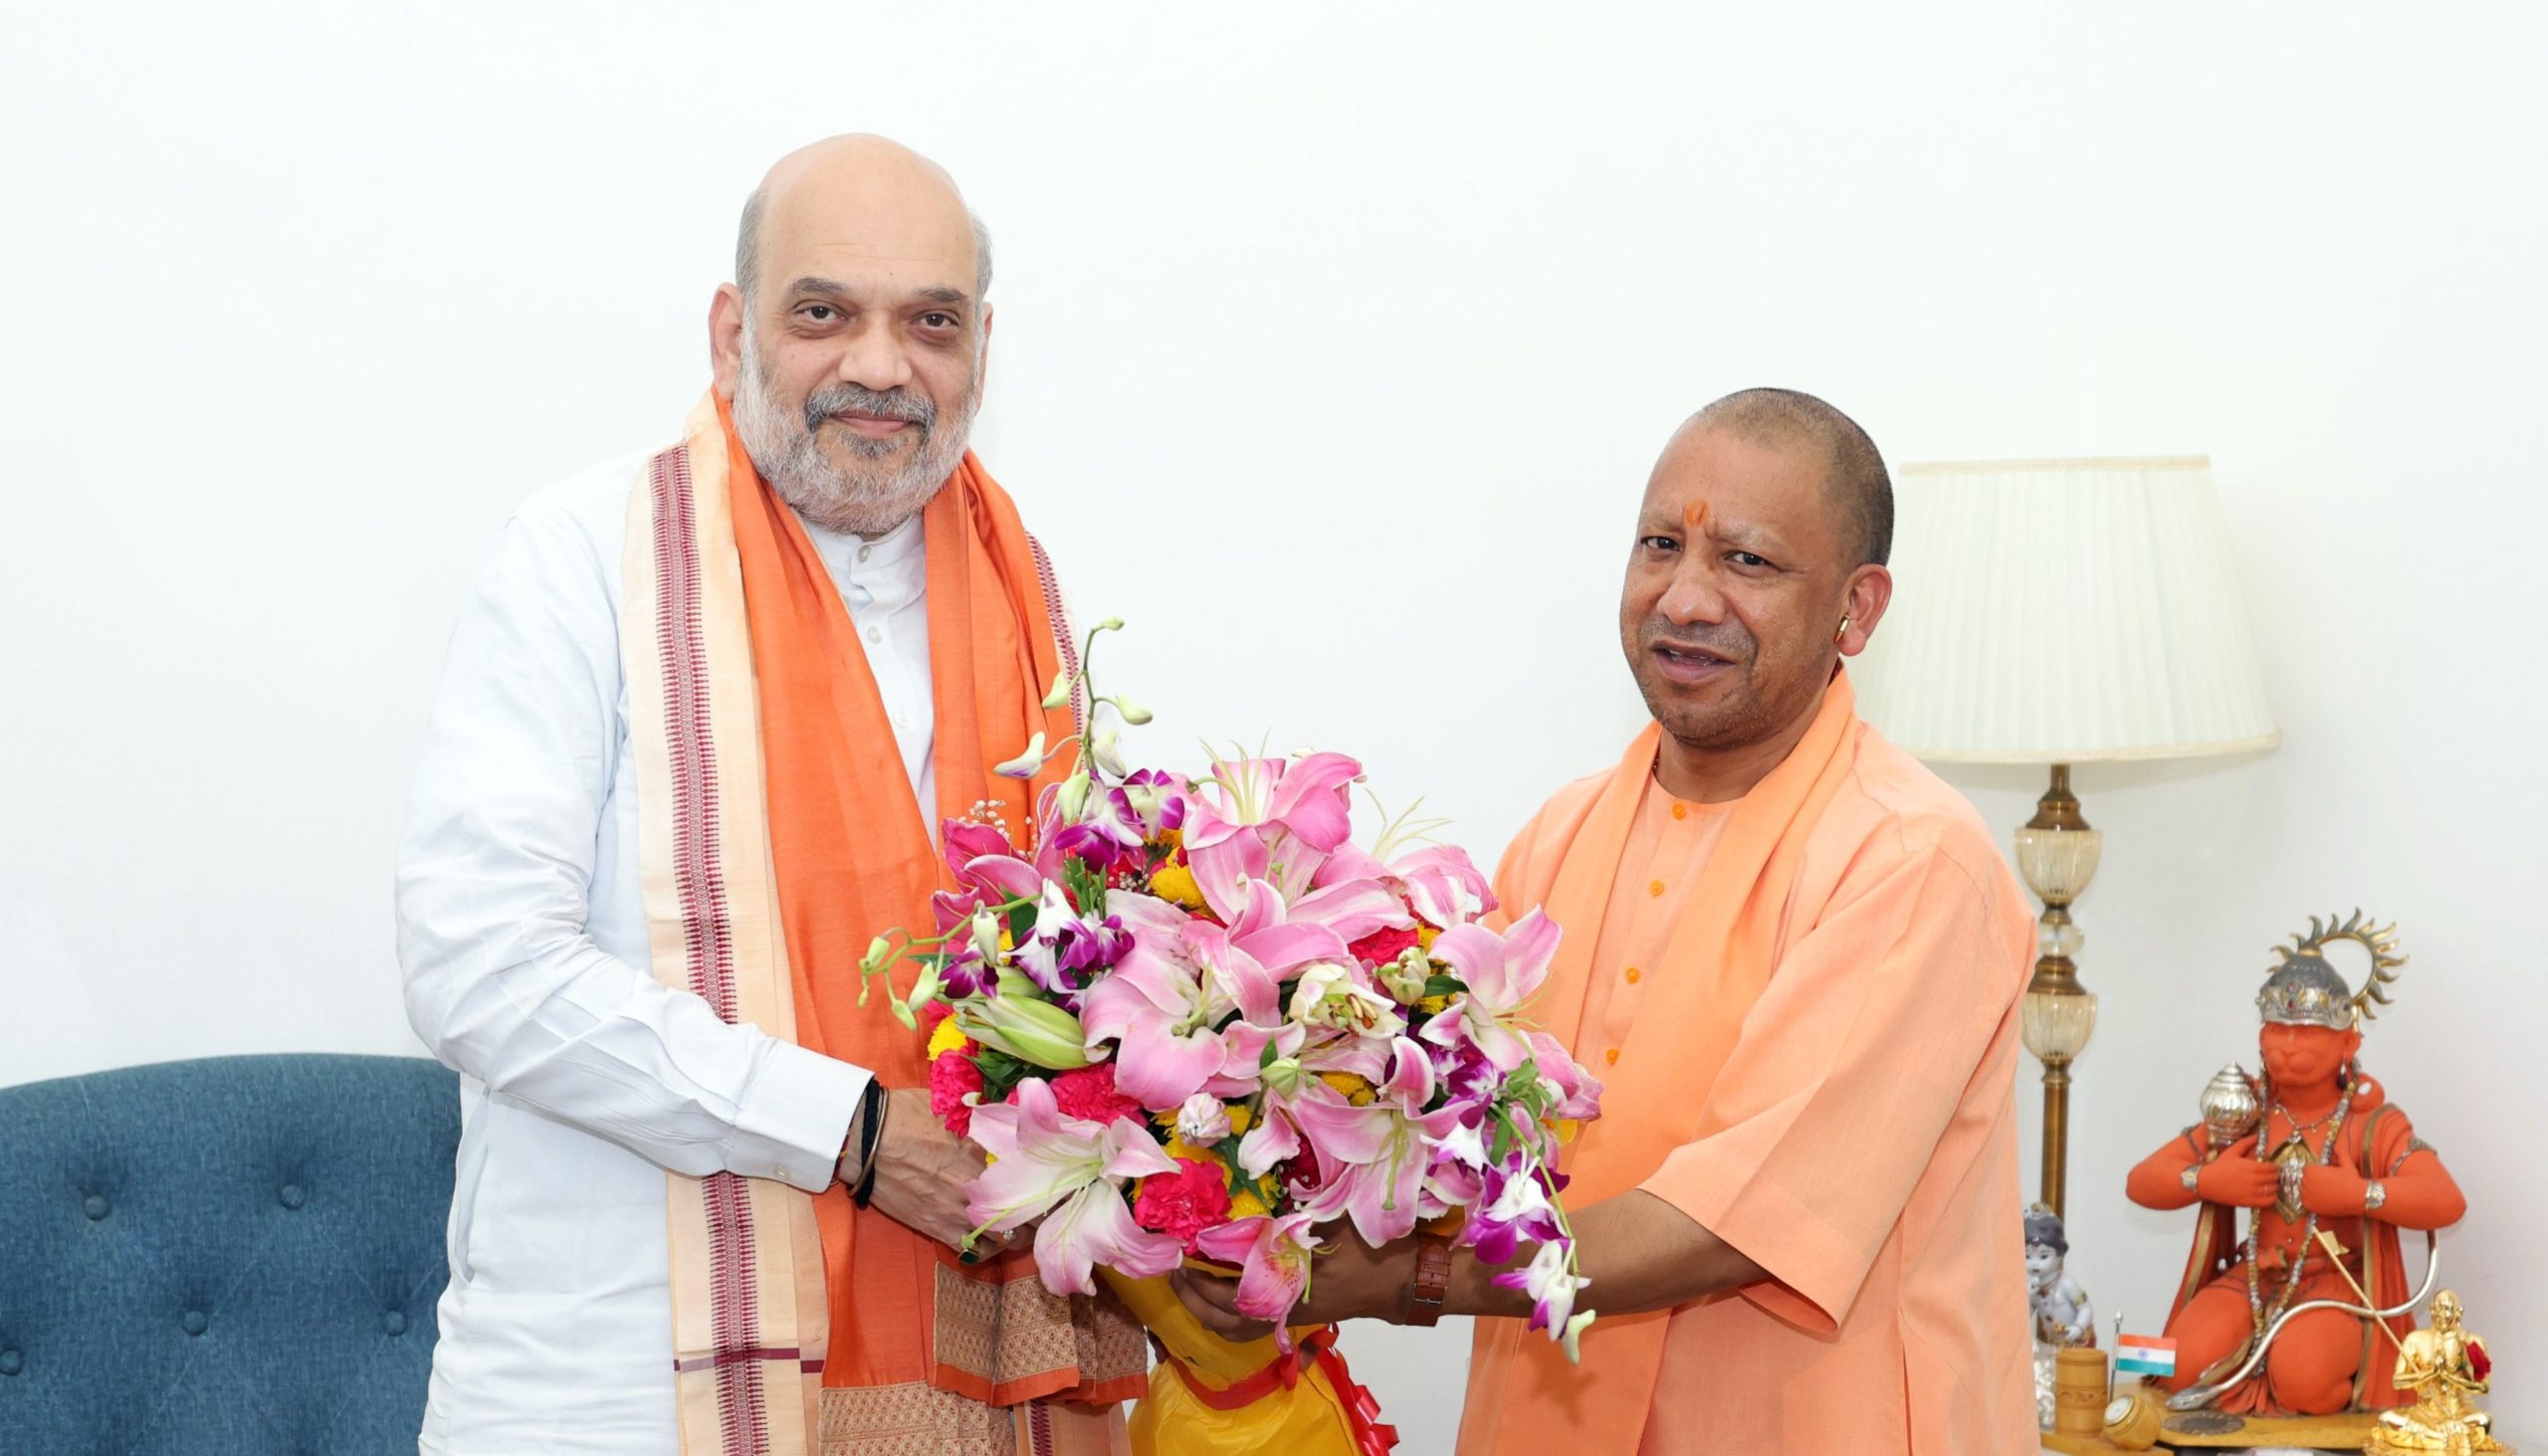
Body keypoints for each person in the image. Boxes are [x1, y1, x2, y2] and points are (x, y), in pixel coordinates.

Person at [397, 134, 1143, 1456]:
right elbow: (479, 964)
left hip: (967, 1388)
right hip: (613, 1386)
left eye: (930, 321)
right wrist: (849, 1129)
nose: (877, 363)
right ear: (731, 327)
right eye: (824, 311)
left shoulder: (1025, 597)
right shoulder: (585, 557)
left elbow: (1096, 966)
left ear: (982, 346)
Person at [1174, 387, 2039, 1452]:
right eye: (1660, 544)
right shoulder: (1560, 836)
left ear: (1857, 610)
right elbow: (1442, 1137)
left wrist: (1405, 1276)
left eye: (1747, 562)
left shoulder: (1910, 861)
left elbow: (1740, 1221)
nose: (1683, 597)